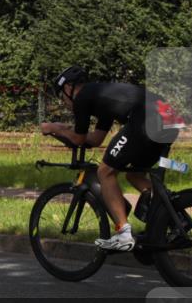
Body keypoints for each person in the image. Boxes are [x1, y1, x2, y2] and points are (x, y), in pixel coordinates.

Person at [40, 65, 183, 251]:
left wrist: (55, 128)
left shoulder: (82, 98)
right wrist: (66, 132)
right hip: (168, 117)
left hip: (146, 120)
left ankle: (123, 234)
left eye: (62, 96)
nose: (64, 102)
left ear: (68, 88)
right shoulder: (101, 98)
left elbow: (79, 138)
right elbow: (96, 139)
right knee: (135, 175)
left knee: (105, 171)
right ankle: (173, 219)